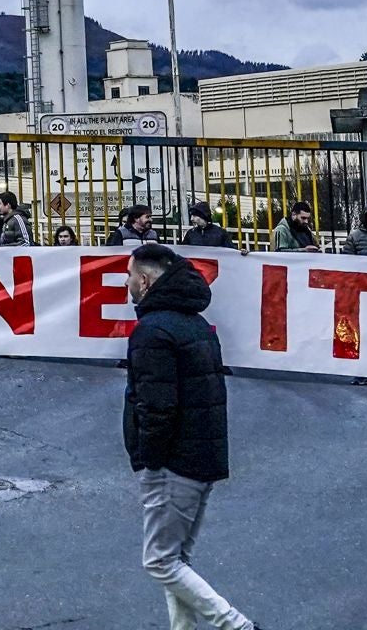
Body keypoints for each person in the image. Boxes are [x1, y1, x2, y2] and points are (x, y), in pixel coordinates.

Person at [122, 244, 257, 630]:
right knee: (176, 557)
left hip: (173, 463)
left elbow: (156, 406)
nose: (126, 282)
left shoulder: (153, 331)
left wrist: (149, 459)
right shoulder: (195, 324)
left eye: (130, 275)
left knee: (159, 561)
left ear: (145, 282)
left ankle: (235, 625)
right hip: (201, 457)